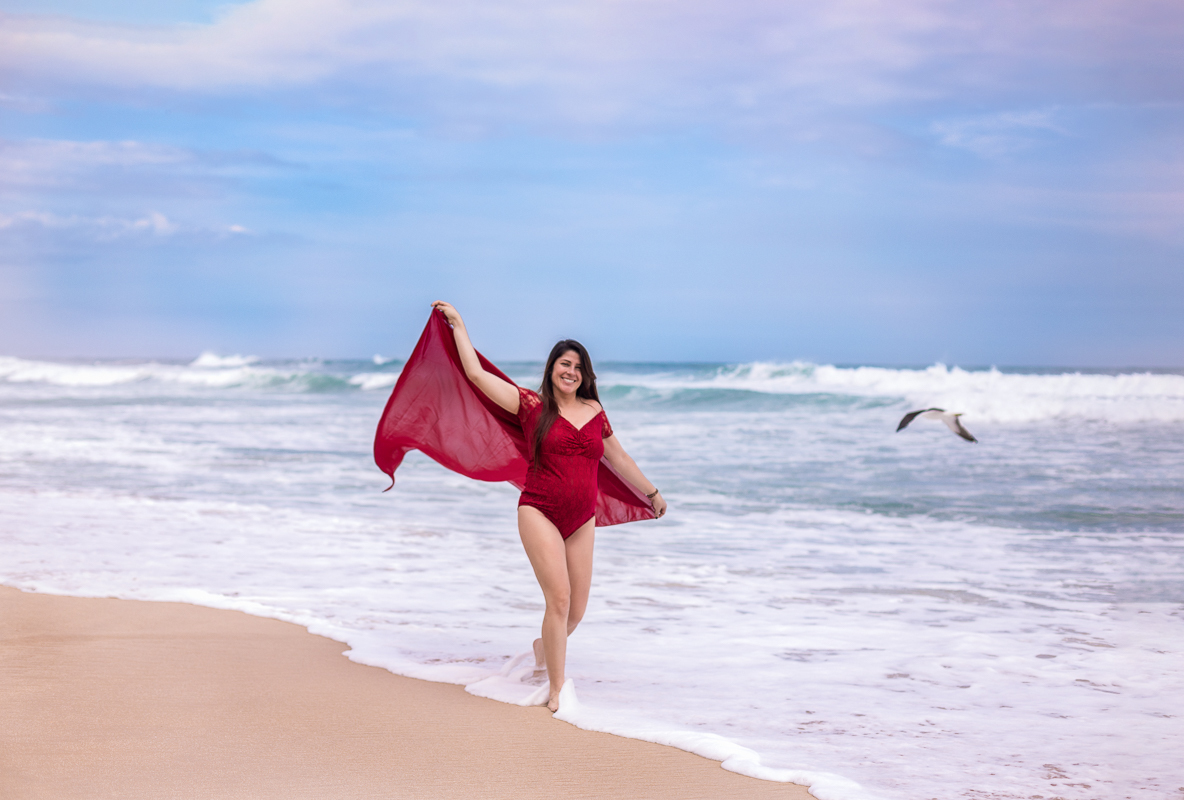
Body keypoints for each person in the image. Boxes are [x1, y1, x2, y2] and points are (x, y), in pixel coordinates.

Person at [430, 301, 667, 712]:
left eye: (578, 366)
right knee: (558, 599)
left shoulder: (595, 411)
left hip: (581, 519)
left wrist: (652, 493)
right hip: (538, 510)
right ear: (552, 368)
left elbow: (619, 458)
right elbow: (476, 375)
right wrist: (460, 327)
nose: (570, 371)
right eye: (564, 364)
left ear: (585, 375)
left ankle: (544, 647)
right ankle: (557, 688)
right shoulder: (531, 405)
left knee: (576, 611)